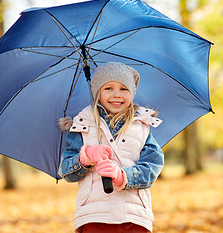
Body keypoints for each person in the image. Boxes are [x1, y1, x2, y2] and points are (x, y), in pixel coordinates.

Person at [58, 62, 164, 233]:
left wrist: (122, 176)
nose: (116, 95)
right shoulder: (82, 125)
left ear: (132, 92)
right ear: (97, 93)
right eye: (108, 88)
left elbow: (152, 168)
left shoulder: (141, 126)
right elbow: (66, 172)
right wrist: (85, 158)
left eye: (124, 89)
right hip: (94, 216)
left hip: (134, 216)